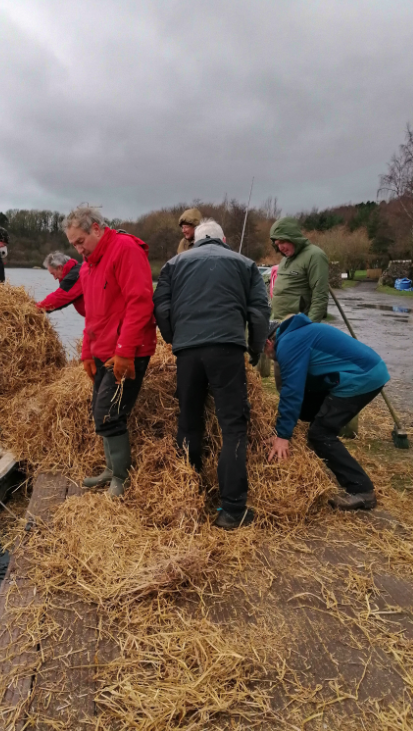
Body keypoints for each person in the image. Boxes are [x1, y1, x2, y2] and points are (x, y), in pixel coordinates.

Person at [154, 219, 271, 530]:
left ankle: (188, 499)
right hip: (227, 349)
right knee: (232, 426)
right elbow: (259, 311)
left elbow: (161, 307)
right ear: (224, 239)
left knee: (189, 422)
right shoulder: (245, 264)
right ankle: (232, 510)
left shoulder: (173, 264)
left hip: (188, 352)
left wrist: (174, 339)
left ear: (195, 241)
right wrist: (255, 349)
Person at [64, 205, 156, 496]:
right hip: (103, 350)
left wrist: (125, 350)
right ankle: (111, 468)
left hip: (128, 350)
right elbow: (92, 316)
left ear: (96, 228)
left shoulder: (125, 249)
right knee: (99, 410)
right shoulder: (88, 267)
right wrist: (86, 353)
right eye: (73, 245)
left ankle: (121, 477)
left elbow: (140, 302)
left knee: (109, 414)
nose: (79, 249)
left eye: (81, 241)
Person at [264, 314, 390, 510]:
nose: (265, 356)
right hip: (364, 370)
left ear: (268, 342)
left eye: (263, 351)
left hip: (362, 376)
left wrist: (282, 436)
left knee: (320, 433)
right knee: (306, 410)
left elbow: (292, 390)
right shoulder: (293, 335)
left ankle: (361, 490)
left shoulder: (289, 343)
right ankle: (324, 454)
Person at [270, 217, 329, 322]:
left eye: (282, 242)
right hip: (279, 324)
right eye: (277, 244)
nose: (280, 248)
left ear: (293, 237)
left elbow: (320, 297)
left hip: (299, 325)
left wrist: (309, 327)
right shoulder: (285, 259)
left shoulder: (315, 255)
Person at [36, 251, 85, 315]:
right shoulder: (77, 270)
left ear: (60, 268)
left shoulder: (75, 275)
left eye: (53, 274)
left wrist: (34, 308)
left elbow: (58, 298)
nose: (55, 278)